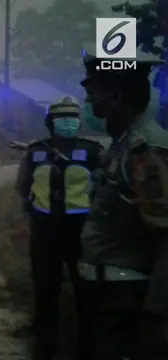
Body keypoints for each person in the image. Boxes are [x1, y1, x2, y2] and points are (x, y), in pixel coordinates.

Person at [78, 52, 168, 360]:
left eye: (93, 95)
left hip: (127, 300)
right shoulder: (123, 145)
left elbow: (166, 236)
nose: (88, 105)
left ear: (116, 97)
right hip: (107, 296)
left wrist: (154, 314)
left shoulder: (147, 151)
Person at [14, 96, 103, 360]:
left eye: (73, 117)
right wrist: (24, 219)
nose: (68, 122)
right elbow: (22, 188)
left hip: (81, 233)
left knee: (85, 293)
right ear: (51, 123)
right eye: (62, 117)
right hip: (44, 233)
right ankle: (44, 346)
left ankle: (86, 347)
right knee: (45, 290)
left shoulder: (93, 151)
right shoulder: (35, 152)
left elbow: (104, 193)